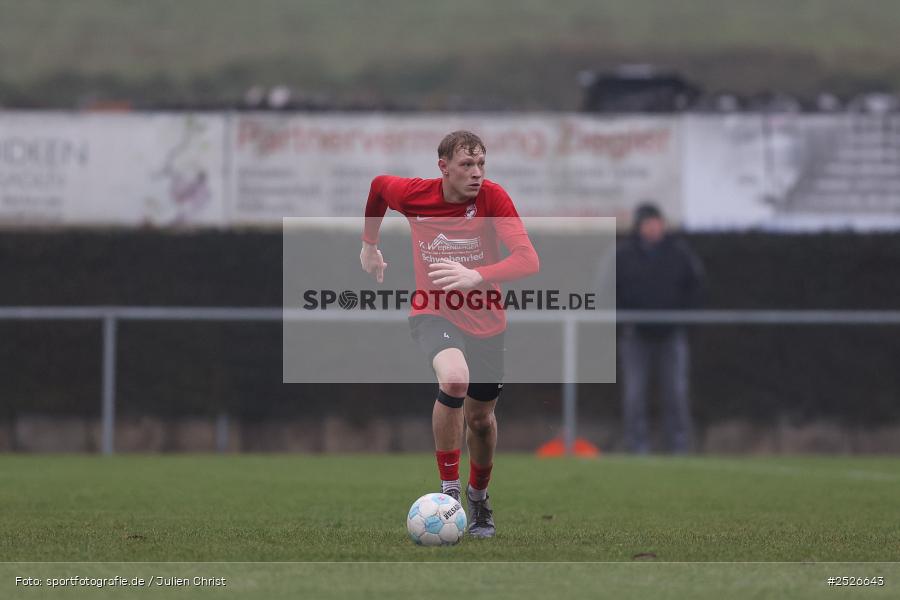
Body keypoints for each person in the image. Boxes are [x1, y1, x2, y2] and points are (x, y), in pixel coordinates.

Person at [360, 130, 539, 538]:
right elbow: (377, 188)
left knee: (480, 420)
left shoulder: (493, 198)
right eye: (466, 165)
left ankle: (478, 496)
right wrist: (369, 244)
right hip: (433, 312)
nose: (476, 174)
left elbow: (529, 260)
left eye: (481, 165)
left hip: (487, 322)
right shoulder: (415, 194)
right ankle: (449, 493)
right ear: (443, 167)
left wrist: (477, 275)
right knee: (454, 379)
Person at [616, 203, 704, 454]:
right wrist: (625, 318)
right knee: (634, 395)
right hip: (636, 337)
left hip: (671, 335)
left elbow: (696, 287)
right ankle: (636, 448)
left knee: (676, 394)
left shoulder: (679, 253)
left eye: (657, 222)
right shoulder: (623, 255)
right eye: (648, 223)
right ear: (639, 226)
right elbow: (607, 290)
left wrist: (683, 318)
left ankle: (679, 447)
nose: (654, 228)